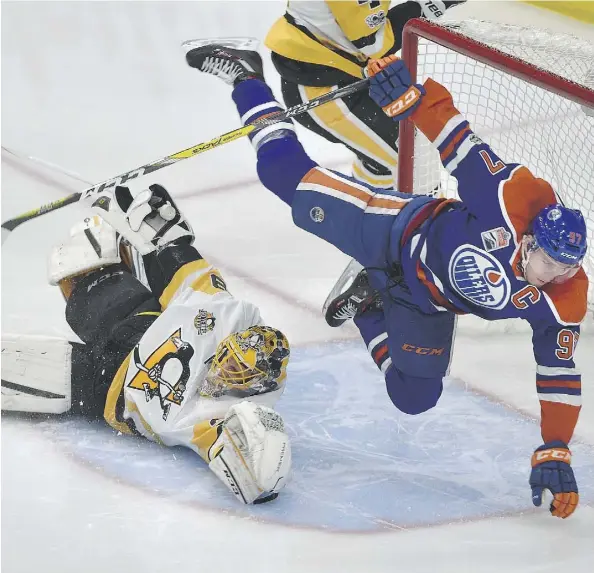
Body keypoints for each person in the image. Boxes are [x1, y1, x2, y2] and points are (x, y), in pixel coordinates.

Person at [185, 41, 589, 519]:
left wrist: (556, 446)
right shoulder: (512, 197)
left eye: (567, 268)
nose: (556, 276)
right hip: (390, 230)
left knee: (414, 397)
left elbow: (559, 374)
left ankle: (365, 305)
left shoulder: (565, 297)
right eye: (550, 263)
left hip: (428, 304)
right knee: (281, 175)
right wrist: (413, 99)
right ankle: (245, 77)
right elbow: (460, 142)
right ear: (529, 243)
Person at [2, 184, 292, 505]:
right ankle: (113, 258)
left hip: (110, 390)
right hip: (140, 325)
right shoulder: (224, 314)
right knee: (86, 266)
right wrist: (167, 236)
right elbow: (186, 273)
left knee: (16, 370)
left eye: (235, 372)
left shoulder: (226, 421)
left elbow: (260, 480)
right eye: (228, 360)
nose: (222, 372)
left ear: (253, 386)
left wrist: (265, 465)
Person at [265, 1, 466, 190]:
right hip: (323, 90)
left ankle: (366, 215)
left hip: (340, 70)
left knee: (389, 162)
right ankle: (404, 223)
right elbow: (373, 44)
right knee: (414, 162)